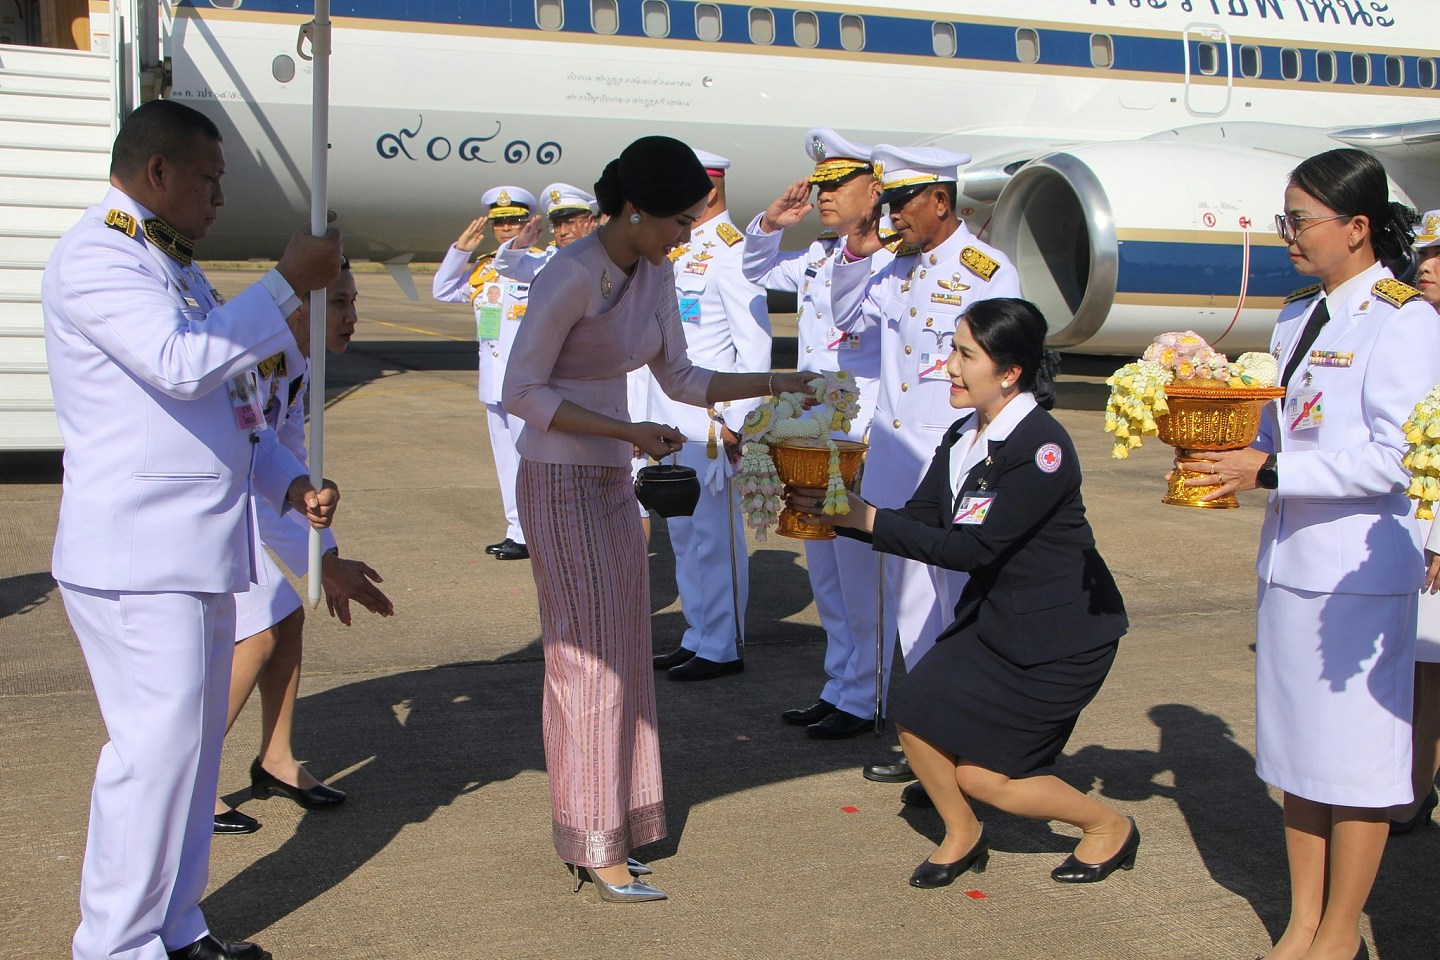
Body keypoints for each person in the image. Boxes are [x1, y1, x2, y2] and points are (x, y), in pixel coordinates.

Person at [43, 99, 341, 960]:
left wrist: (288, 488)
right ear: (156, 172)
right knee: (153, 760)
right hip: (139, 557)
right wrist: (286, 284)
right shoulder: (99, 254)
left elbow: (240, 409)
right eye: (206, 179)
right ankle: (116, 946)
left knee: (188, 757)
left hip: (195, 552)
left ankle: (176, 925)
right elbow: (179, 367)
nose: (217, 198)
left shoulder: (175, 267)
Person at [501, 135, 814, 903]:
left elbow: (681, 376)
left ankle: (623, 822)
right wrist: (626, 434)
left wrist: (781, 377)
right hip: (559, 476)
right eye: (678, 219)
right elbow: (523, 391)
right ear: (634, 209)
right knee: (587, 660)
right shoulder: (568, 274)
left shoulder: (655, 272)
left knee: (628, 650)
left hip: (608, 478)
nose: (687, 233)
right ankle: (590, 836)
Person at [1180, 149, 1440, 960]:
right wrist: (1202, 426)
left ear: (1358, 228)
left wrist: (1274, 468)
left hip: (1361, 575)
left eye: (1302, 221)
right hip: (1288, 566)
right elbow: (1276, 429)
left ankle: (1338, 933)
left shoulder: (1406, 320)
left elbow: (1399, 459)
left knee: (1356, 763)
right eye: (1285, 219)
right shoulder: (1296, 315)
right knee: (1295, 756)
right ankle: (1301, 919)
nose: (1288, 234)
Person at [786, 297, 1133, 889]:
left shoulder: (1040, 449)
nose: (947, 364)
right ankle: (962, 832)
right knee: (916, 713)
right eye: (953, 348)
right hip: (997, 619)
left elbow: (973, 549)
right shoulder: (964, 433)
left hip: (1059, 636)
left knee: (985, 777)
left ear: (1009, 372)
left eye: (964, 353)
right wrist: (836, 505)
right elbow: (920, 516)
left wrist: (866, 521)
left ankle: (1109, 827)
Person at [828, 145, 1021, 761]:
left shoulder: (984, 271)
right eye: (885, 204)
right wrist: (863, 248)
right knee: (910, 602)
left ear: (940, 201)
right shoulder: (892, 267)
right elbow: (844, 312)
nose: (893, 217)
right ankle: (935, 739)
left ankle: (969, 736)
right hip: (893, 458)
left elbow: (1001, 371)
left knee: (961, 599)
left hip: (954, 460)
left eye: (900, 204)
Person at [214, 261, 395, 835]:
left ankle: (275, 759)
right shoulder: (249, 358)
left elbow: (285, 465)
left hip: (246, 496)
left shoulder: (298, 364)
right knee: (262, 628)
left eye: (353, 302)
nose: (352, 317)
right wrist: (320, 558)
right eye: (338, 303)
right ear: (296, 308)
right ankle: (189, 784)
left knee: (287, 617)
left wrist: (324, 557)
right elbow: (245, 459)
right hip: (208, 506)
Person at [741, 128, 890, 732]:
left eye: (838, 184)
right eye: (820, 185)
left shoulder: (895, 260)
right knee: (824, 565)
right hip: (814, 428)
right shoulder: (820, 254)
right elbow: (753, 268)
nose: (825, 195)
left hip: (863, 429)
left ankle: (867, 695)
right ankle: (840, 685)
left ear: (874, 191)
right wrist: (771, 223)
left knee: (859, 574)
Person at [648, 147, 772, 682]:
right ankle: (697, 633)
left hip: (711, 423)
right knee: (683, 534)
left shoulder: (733, 251)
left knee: (715, 537)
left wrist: (737, 421)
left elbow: (757, 349)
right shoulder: (673, 247)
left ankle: (723, 644)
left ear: (709, 190)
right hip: (672, 421)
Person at [432, 185, 540, 561]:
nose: (506, 229)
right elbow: (443, 291)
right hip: (493, 383)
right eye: (500, 223)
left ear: (528, 223)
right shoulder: (484, 268)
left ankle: (538, 530)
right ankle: (518, 531)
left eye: (513, 221)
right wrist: (460, 250)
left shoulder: (539, 264)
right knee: (506, 461)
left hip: (526, 382)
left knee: (531, 459)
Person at [1393, 208, 1440, 835]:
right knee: (1420, 667)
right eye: (1424, 255)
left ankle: (1417, 784)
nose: (1426, 267)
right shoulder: (1414, 330)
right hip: (1414, 522)